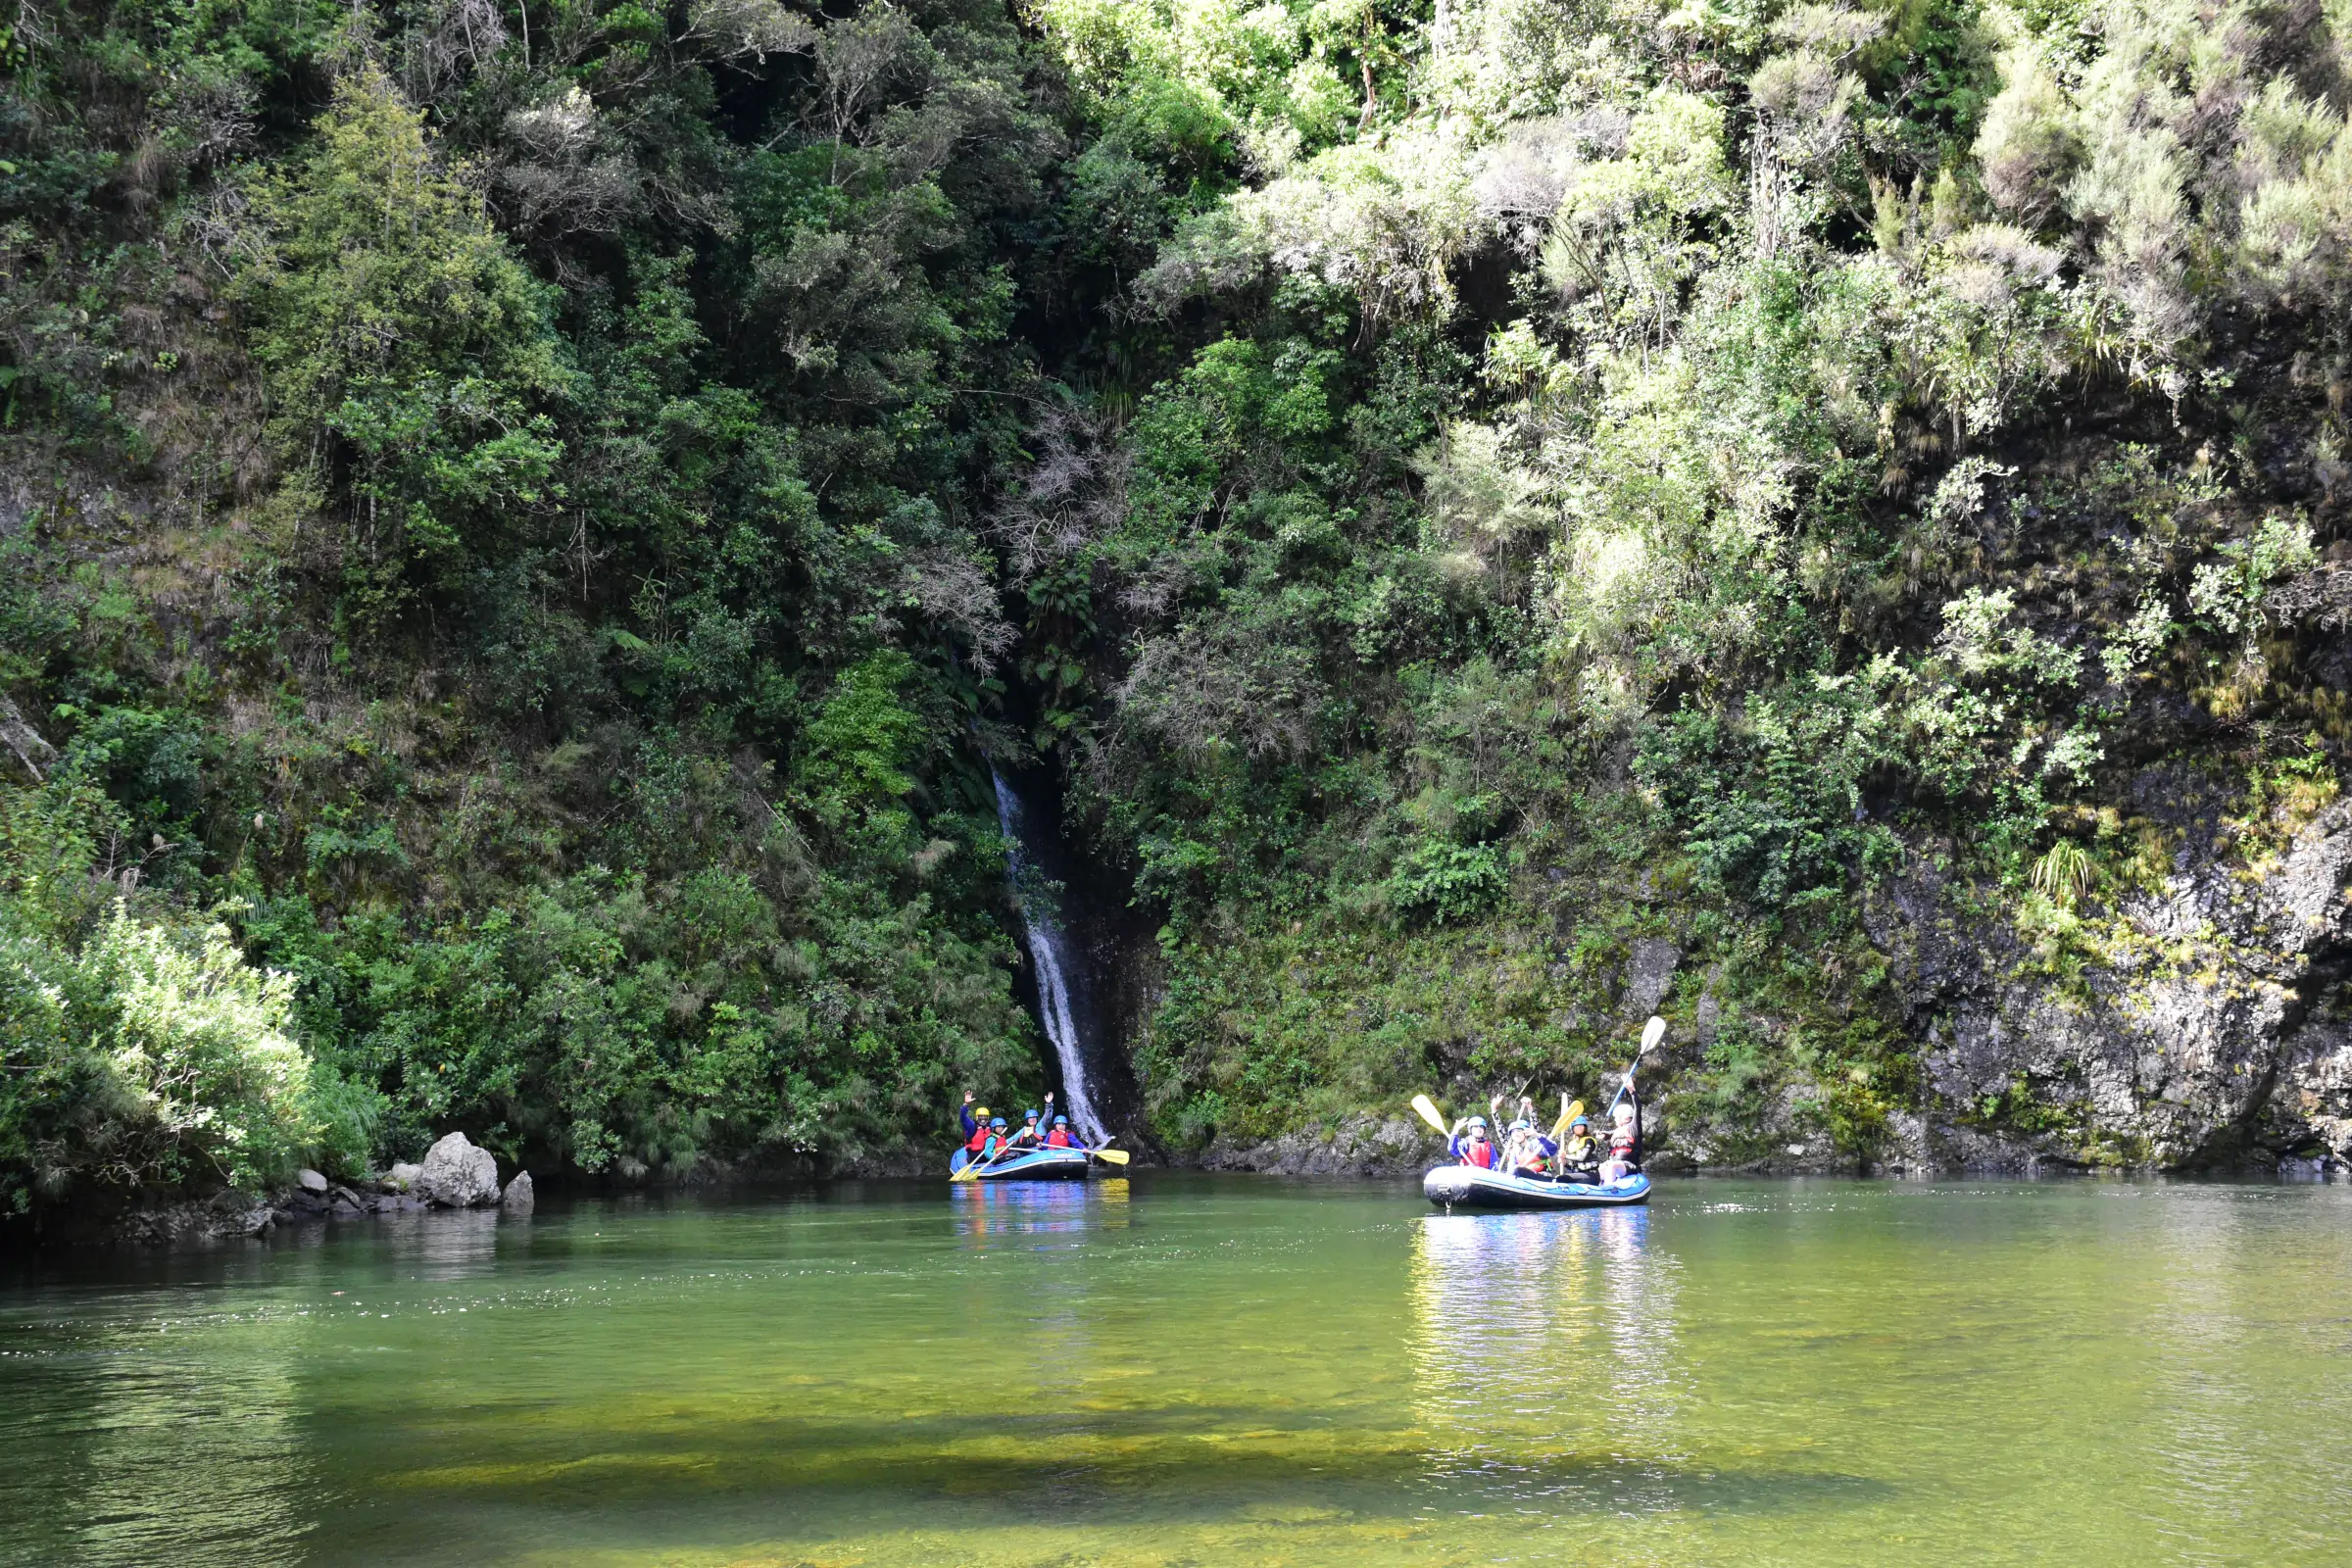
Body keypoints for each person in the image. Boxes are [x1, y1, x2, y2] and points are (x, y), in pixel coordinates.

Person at [1556, 1114, 1601, 1181]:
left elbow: (1582, 1158)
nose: (1579, 1127)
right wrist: (1565, 1163)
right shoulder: (1573, 1144)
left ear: (1585, 1127)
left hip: (1591, 1175)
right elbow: (1574, 1168)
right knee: (1560, 1178)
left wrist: (1565, 1156)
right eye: (1577, 1126)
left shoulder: (1589, 1140)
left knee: (1562, 1179)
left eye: (1581, 1125)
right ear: (1573, 1128)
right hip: (1580, 1174)